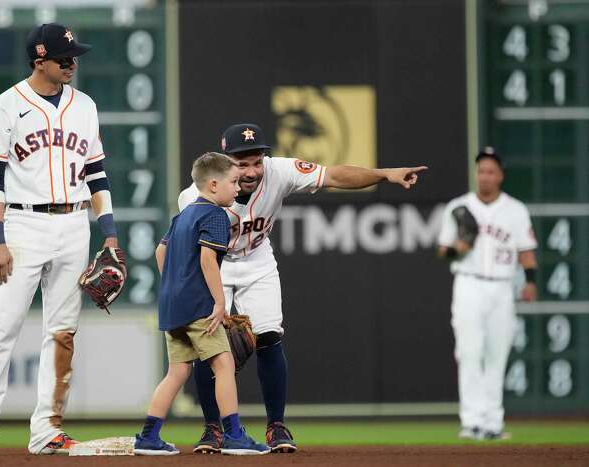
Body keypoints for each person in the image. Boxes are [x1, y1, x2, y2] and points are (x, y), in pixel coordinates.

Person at [179, 123, 427, 454]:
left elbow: (335, 175)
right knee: (207, 345)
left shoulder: (279, 171)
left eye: (256, 161)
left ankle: (276, 426)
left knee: (268, 336)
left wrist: (385, 174)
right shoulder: (196, 194)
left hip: (256, 258)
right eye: (241, 163)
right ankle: (213, 429)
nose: (251, 170)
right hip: (214, 264)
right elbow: (187, 248)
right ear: (224, 162)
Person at [0, 23, 121, 456]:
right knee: (4, 327)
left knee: (63, 332)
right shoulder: (4, 107)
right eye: (63, 58)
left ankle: (47, 429)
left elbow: (97, 174)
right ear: (39, 60)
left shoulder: (85, 106)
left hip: (75, 224)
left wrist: (108, 234)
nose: (72, 63)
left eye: (74, 56)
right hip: (23, 225)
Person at [134, 152, 269, 456]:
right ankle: (234, 435)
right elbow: (208, 258)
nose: (238, 188)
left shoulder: (182, 215)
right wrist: (220, 303)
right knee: (224, 365)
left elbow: (160, 252)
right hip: (199, 306)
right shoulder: (215, 215)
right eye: (233, 181)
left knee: (177, 372)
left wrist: (174, 285)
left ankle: (149, 436)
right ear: (212, 185)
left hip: (172, 306)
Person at [437, 147, 538, 440]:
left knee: (497, 353)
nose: (485, 176)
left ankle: (493, 422)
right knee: (469, 351)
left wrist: (530, 281)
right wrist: (459, 248)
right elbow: (442, 250)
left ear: (501, 175)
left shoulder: (516, 210)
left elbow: (527, 252)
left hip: (502, 287)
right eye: (481, 170)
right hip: (468, 283)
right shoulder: (459, 207)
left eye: (491, 171)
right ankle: (472, 422)